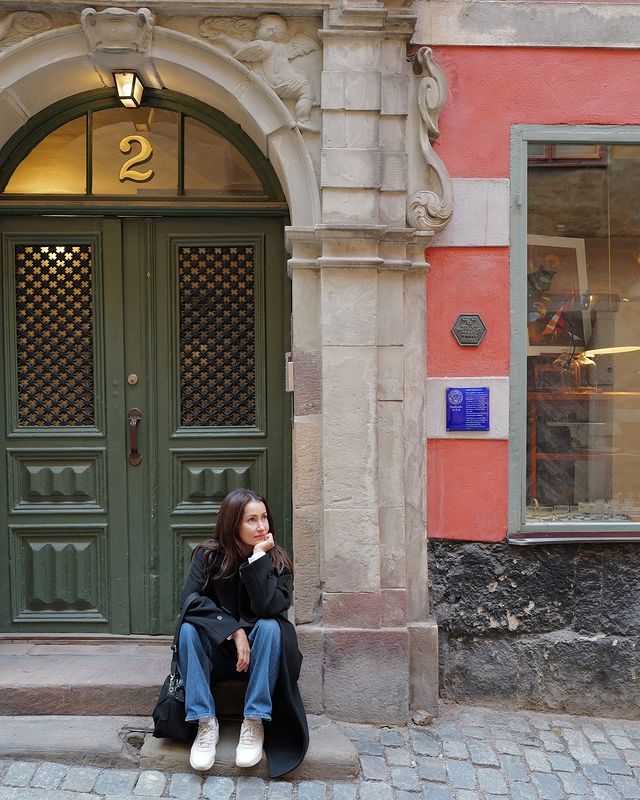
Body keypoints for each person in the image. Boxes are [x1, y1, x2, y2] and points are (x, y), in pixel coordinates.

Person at [177, 488, 308, 778]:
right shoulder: (208, 556)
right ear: (233, 523)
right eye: (251, 520)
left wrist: (258, 560)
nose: (261, 526)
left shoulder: (277, 561)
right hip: (219, 654)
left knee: (271, 626)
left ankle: (254, 719)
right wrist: (234, 630)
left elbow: (270, 607)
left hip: (262, 660)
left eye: (264, 518)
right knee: (188, 629)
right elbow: (190, 602)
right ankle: (204, 721)